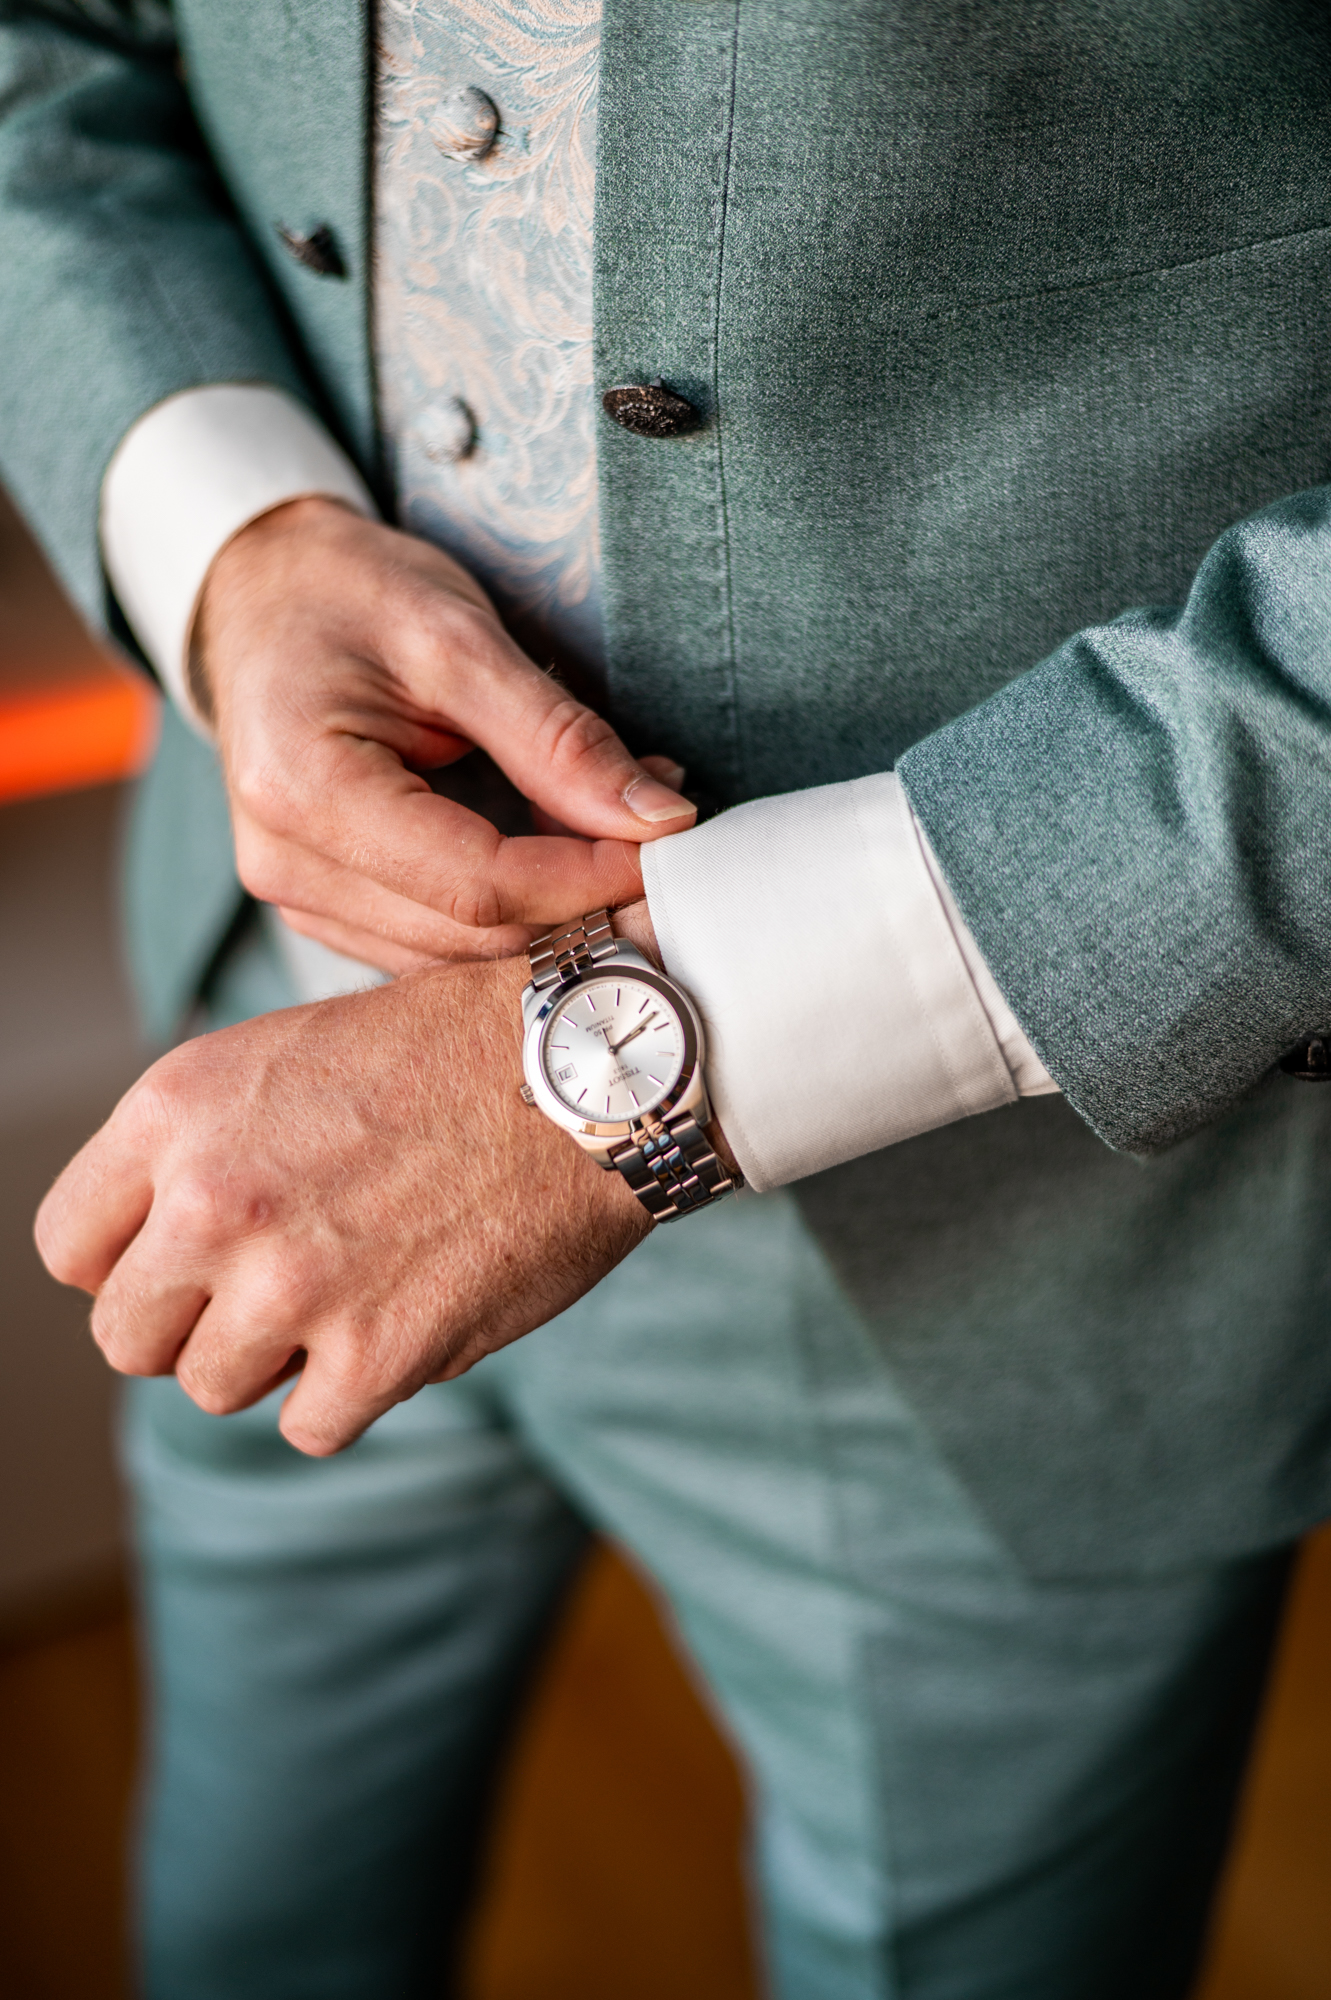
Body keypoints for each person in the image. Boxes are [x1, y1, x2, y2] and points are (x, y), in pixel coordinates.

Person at [7, 1, 1331, 1993]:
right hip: (254, 1109)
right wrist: (231, 545)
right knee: (239, 1927)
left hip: (1039, 1253)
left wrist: (620, 1068)